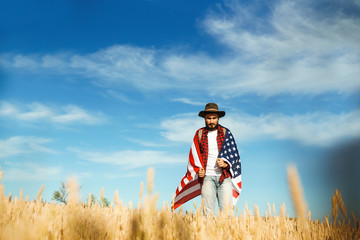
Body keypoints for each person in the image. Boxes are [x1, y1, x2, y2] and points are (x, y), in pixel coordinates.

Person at [172, 103, 242, 214]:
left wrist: (226, 164)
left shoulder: (226, 133)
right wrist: (198, 170)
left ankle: (225, 232)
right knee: (207, 213)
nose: (211, 121)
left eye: (214, 118)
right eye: (209, 118)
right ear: (204, 118)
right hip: (207, 177)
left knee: (227, 213)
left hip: (224, 177)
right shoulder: (199, 134)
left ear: (218, 118)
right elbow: (193, 157)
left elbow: (235, 156)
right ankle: (208, 231)